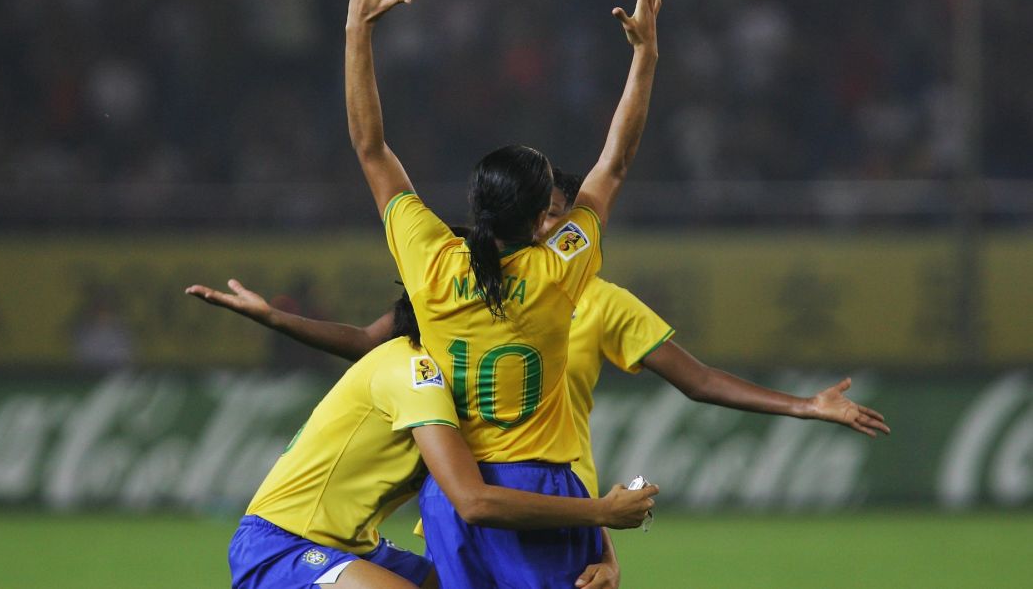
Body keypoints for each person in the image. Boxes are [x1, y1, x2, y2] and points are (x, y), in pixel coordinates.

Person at [189, 174, 890, 589]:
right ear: (522, 228)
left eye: (564, 214)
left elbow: (680, 388)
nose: (556, 226)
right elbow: (375, 345)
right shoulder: (451, 321)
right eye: (545, 215)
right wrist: (275, 321)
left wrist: (806, 405)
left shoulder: (598, 303)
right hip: (468, 503)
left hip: (537, 501)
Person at [342, 0, 661, 589]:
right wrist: (646, 56)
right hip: (541, 491)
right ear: (534, 216)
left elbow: (371, 148)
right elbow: (614, 163)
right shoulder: (558, 270)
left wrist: (356, 31)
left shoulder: (428, 258)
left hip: (454, 498)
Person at [189, 286, 658, 589]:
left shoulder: (465, 388)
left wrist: (605, 551)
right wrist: (602, 511)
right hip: (281, 546)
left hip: (353, 546)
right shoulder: (414, 371)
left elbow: (548, 466)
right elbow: (475, 501)